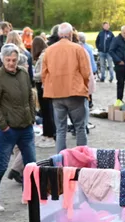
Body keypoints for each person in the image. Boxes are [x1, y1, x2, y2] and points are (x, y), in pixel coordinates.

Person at [0, 44, 37, 212]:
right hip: (8, 129)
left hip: (26, 127)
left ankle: (28, 194)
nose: (11, 63)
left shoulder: (23, 73)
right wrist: (4, 126)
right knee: (1, 164)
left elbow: (30, 96)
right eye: (8, 60)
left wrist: (32, 117)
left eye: (14, 60)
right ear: (2, 59)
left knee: (31, 164)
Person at [42, 23, 91, 154]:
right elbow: (86, 72)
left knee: (60, 130)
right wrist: (84, 87)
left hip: (56, 94)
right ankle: (82, 156)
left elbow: (44, 74)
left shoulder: (49, 50)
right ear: (70, 34)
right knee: (80, 127)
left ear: (59, 34)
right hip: (75, 92)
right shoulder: (78, 49)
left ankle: (60, 159)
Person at [32, 37, 55, 149]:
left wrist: (32, 74)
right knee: (46, 112)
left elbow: (42, 73)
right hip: (45, 86)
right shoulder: (47, 54)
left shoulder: (43, 56)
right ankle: (47, 133)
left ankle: (49, 134)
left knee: (47, 112)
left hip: (43, 86)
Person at [110, 26, 125, 102]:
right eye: (124, 33)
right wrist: (118, 60)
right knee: (120, 82)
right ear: (121, 32)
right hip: (119, 64)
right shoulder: (116, 40)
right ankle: (119, 99)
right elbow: (111, 51)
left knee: (123, 83)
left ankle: (121, 98)